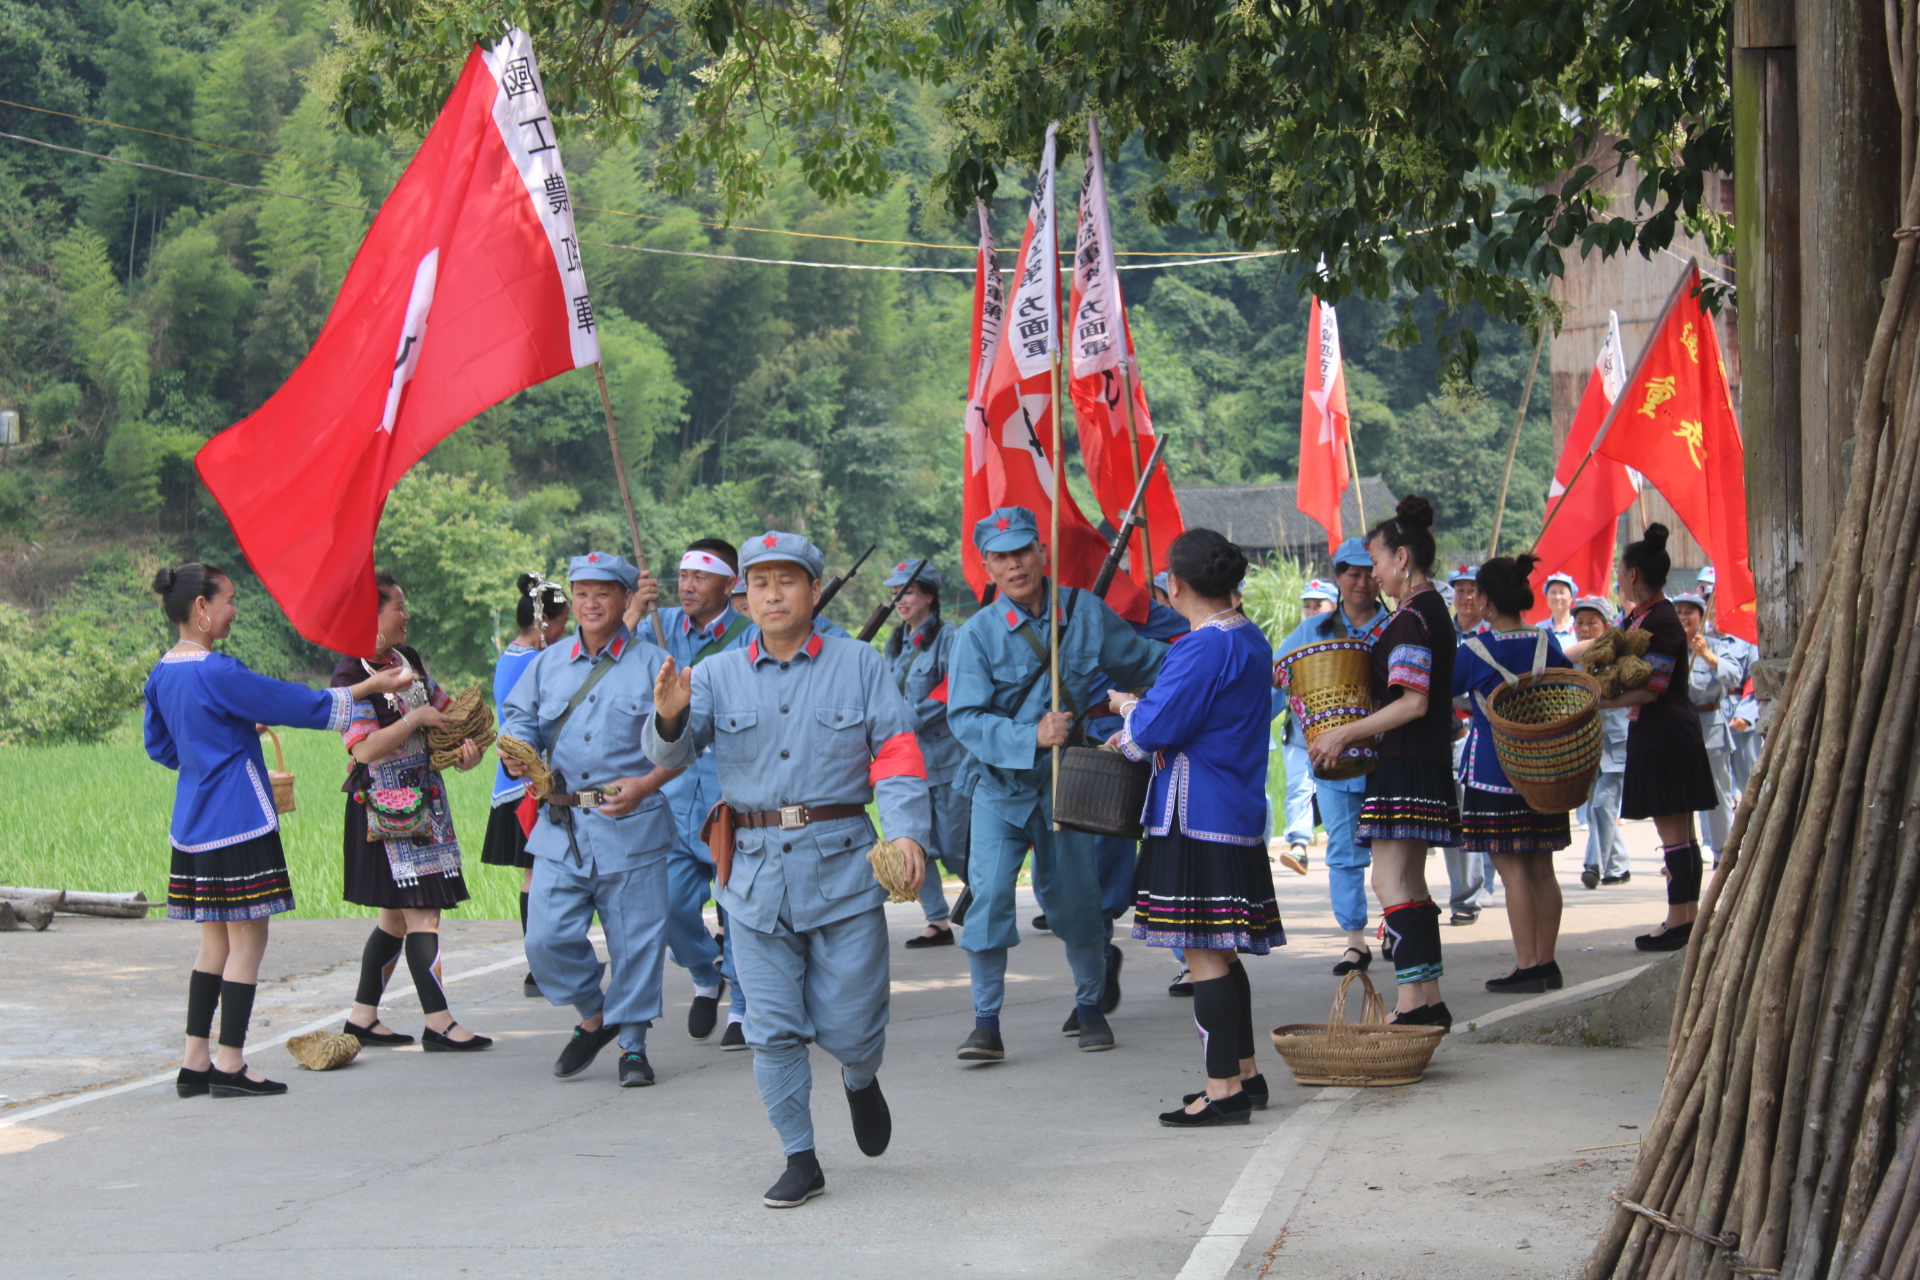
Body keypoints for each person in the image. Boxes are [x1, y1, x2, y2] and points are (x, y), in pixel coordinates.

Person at [644, 530, 932, 1209]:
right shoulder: (712, 674)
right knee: (771, 1027)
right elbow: (678, 752)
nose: (773, 594)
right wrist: (669, 717)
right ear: (744, 598)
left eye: (788, 581)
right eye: (760, 583)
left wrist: (910, 834)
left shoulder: (860, 664)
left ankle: (860, 1078)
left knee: (854, 1024)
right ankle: (800, 1157)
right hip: (752, 877)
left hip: (841, 870)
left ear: (812, 589)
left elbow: (894, 754)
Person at [146, 563, 412, 1099]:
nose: (233, 609)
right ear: (201, 608)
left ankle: (195, 1060)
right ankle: (231, 1063)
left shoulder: (162, 673)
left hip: (193, 823)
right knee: (250, 937)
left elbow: (162, 747)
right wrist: (371, 686)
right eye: (228, 600)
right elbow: (296, 704)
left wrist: (219, 743)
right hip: (239, 818)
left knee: (213, 944)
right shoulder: (216, 671)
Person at [946, 506, 1167, 1061]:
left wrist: (1211, 656)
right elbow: (965, 717)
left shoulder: (1085, 613)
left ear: (1042, 552)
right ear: (987, 566)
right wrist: (1029, 735)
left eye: (1023, 550)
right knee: (990, 898)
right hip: (999, 789)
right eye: (1001, 556)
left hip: (1068, 786)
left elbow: (1143, 663)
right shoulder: (977, 635)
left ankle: (1091, 1007)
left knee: (1076, 901)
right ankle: (985, 1023)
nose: (1015, 564)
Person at [1112, 530, 1284, 1127]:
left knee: (1203, 954)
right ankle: (1246, 1073)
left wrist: (1127, 711)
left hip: (1193, 814)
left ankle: (1223, 1089)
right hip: (1233, 811)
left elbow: (1157, 729)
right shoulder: (1250, 638)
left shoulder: (1199, 646)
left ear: (1175, 584)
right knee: (1223, 954)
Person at [500, 552, 681, 1088]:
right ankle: (593, 1014)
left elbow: (682, 744)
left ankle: (632, 1046)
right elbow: (520, 719)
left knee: (636, 943)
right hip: (562, 827)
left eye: (604, 592)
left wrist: (646, 784)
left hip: (632, 823)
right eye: (582, 593)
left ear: (627, 599)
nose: (591, 602)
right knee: (546, 939)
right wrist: (517, 751)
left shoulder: (655, 666)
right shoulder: (547, 664)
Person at [1307, 497, 1459, 1028]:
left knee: (1388, 884)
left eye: (1376, 562)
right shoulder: (1428, 611)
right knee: (1410, 885)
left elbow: (1413, 702)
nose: (1372, 575)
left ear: (1402, 558)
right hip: (1421, 760)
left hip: (1405, 761)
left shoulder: (1414, 617)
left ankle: (1415, 1005)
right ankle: (1427, 998)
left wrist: (1344, 732)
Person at [333, 574, 493, 1054]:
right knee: (423, 916)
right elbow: (362, 749)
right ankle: (439, 1023)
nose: (406, 615)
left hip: (427, 799)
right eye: (397, 607)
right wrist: (415, 720)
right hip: (386, 810)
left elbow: (445, 715)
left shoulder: (410, 660)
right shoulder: (350, 675)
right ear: (371, 617)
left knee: (397, 920)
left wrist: (467, 751)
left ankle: (362, 1017)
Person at [628, 540, 752, 1048]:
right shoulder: (659, 627)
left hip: (731, 795)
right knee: (672, 908)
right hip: (675, 796)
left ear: (729, 584)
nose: (687, 585)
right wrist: (634, 610)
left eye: (700, 577)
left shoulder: (750, 636)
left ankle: (743, 1005)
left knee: (737, 908)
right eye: (682, 575)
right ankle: (706, 971)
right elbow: (609, 648)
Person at [1452, 556, 1573, 993]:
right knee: (1543, 868)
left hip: (1495, 773)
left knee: (1513, 873)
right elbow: (1570, 685)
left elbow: (1439, 689)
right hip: (1544, 774)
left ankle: (1526, 966)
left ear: (1485, 600)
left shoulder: (1476, 650)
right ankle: (1547, 962)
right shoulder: (1545, 641)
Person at [1275, 539, 1390, 975]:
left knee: (1392, 849)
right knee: (1343, 850)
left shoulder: (1394, 626)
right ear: (1338, 576)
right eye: (1351, 574)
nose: (1361, 582)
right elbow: (1278, 674)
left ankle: (1396, 923)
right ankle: (1355, 939)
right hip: (1332, 762)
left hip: (1388, 755)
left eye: (1368, 573)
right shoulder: (1313, 630)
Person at [1605, 525, 1721, 952]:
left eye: (1620, 570)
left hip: (1666, 735)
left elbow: (1651, 688)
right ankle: (1686, 917)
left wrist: (1598, 701)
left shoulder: (1660, 620)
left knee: (1675, 833)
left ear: (1634, 574)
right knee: (1682, 833)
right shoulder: (1644, 616)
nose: (1618, 576)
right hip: (1665, 733)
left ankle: (1678, 921)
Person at [481, 573, 571, 999]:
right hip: (529, 785)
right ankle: (541, 966)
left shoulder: (510, 657)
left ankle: (540, 964)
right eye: (564, 625)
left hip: (512, 782)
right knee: (539, 874)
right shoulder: (538, 662)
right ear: (546, 625)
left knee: (532, 875)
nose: (567, 633)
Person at [883, 559, 972, 949]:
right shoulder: (895, 641)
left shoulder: (950, 637)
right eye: (895, 593)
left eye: (908, 592)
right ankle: (936, 920)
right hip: (908, 760)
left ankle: (986, 895)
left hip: (946, 756)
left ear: (929, 596)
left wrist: (909, 717)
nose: (899, 600)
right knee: (916, 842)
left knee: (953, 848)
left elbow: (953, 688)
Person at [1275, 580, 1338, 877]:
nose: (1312, 610)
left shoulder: (1346, 636)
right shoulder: (1296, 638)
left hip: (1340, 733)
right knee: (1298, 787)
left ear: (1333, 607)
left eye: (1319, 604)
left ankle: (1344, 845)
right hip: (1300, 733)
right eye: (1308, 605)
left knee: (1335, 788)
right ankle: (1299, 846)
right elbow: (1274, 672)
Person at [1674, 591, 1742, 865]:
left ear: (1701, 618)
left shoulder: (1716, 645)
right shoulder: (1667, 648)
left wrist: (1706, 655)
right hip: (1678, 730)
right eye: (1678, 613)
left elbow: (1735, 675)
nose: (1683, 617)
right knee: (1680, 796)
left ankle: (1723, 853)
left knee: (1717, 795)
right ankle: (1682, 853)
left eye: (1690, 612)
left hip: (1710, 729)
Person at [1573, 596, 1632, 889]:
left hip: (1616, 743)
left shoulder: (1621, 657)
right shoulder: (1572, 662)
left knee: (1602, 805)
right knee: (1598, 807)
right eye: (1580, 622)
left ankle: (1593, 864)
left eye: (1591, 623)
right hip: (1587, 746)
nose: (1584, 628)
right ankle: (1618, 864)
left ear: (1607, 626)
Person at [1443, 563, 1490, 925]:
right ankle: (1465, 894)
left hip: (1485, 731)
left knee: (1480, 810)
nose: (1466, 597)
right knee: (1455, 812)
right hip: (1450, 732)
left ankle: (1478, 888)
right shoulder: (1442, 633)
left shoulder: (1491, 635)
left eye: (1472, 589)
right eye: (1460, 590)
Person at [1538, 572, 1578, 644]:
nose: (1557, 597)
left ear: (1571, 597)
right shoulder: (1539, 628)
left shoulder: (1579, 627)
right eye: (1553, 592)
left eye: (1562, 592)